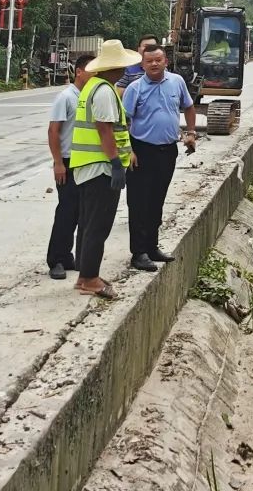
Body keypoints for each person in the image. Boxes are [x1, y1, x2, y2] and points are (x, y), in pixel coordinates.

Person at [69, 38, 140, 299]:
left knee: (89, 223)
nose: (125, 70)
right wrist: (115, 163)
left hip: (88, 166)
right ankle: (89, 278)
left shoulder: (92, 87)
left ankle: (86, 274)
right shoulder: (105, 92)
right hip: (100, 167)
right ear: (116, 68)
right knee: (98, 224)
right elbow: (105, 129)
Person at [122, 44, 196, 271]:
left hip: (167, 151)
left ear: (166, 61)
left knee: (157, 199)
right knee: (138, 202)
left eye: (158, 60)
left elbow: (189, 107)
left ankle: (152, 247)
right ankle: (139, 252)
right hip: (141, 151)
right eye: (149, 61)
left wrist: (191, 133)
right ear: (142, 64)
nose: (154, 64)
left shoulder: (177, 82)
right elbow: (123, 121)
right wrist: (128, 151)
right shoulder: (135, 88)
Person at [45, 53, 92, 280]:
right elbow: (53, 131)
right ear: (79, 72)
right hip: (67, 161)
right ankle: (56, 260)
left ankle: (67, 255)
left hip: (85, 162)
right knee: (66, 211)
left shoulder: (91, 96)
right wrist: (57, 163)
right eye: (91, 70)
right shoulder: (66, 97)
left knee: (80, 212)